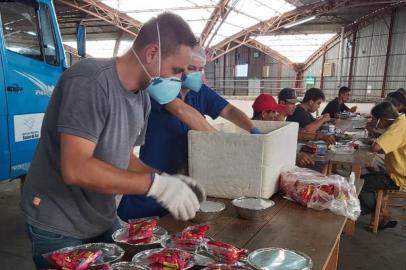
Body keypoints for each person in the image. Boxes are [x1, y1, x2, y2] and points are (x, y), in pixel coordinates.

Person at [20, 13, 207, 269]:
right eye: (176, 71)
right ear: (152, 53)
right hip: (59, 222)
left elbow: (125, 157)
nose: (179, 79)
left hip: (102, 217)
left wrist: (167, 180)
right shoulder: (90, 81)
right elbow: (76, 169)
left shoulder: (141, 97)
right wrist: (154, 185)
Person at [117, 46, 260, 221]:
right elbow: (183, 112)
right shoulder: (160, 88)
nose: (198, 74)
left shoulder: (199, 92)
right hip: (154, 176)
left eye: (201, 69)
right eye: (192, 69)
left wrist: (253, 129)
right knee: (140, 228)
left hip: (184, 179)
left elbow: (229, 110)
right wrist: (227, 145)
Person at [359, 101, 405, 230]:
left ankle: (381, 214)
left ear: (382, 119)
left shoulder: (399, 126)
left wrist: (373, 128)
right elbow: (385, 142)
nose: (373, 121)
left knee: (358, 183)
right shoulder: (401, 121)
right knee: (366, 173)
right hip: (395, 171)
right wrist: (374, 132)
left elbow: (376, 147)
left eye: (375, 119)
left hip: (398, 177)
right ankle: (381, 215)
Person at [250, 93, 315, 167]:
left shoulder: (256, 126)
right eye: (273, 112)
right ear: (264, 114)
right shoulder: (254, 131)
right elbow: (268, 153)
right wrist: (294, 156)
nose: (275, 115)